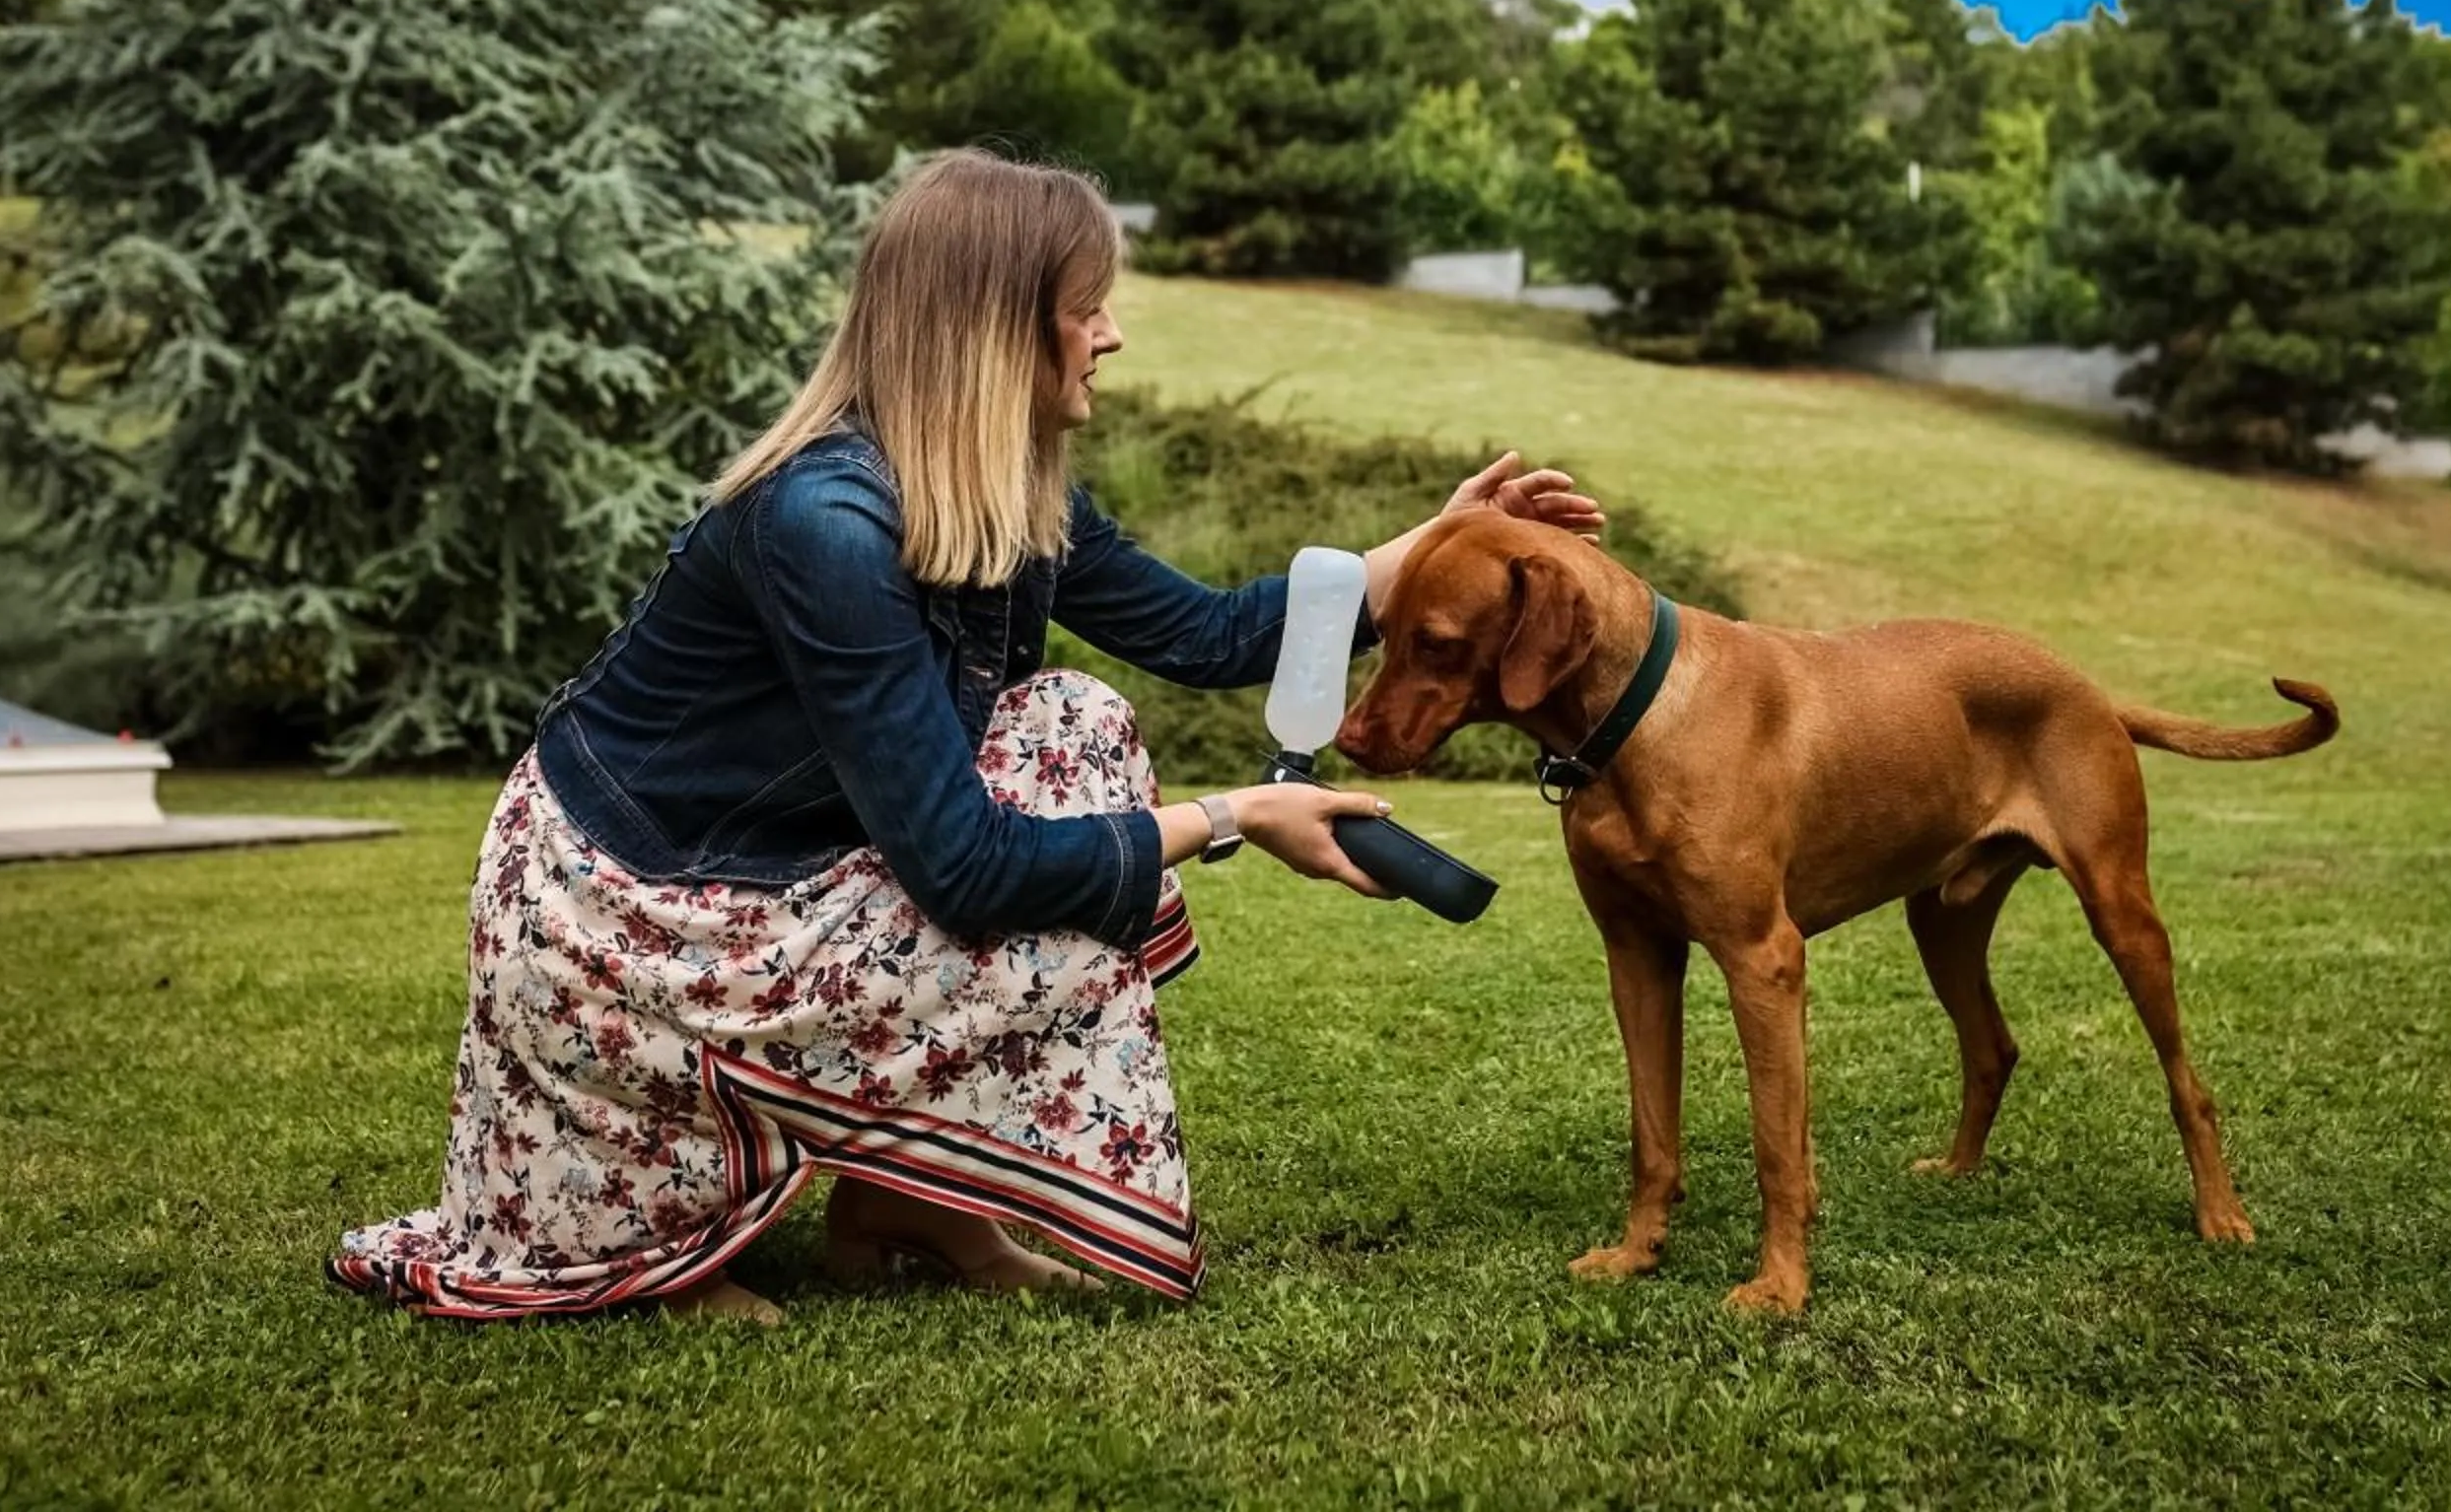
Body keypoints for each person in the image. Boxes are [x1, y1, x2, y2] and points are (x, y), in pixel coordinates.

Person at [329, 149, 1604, 1322]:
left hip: (772, 855)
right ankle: (655, 1244)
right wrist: (1231, 821)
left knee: (1075, 725)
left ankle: (908, 1214)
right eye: (1086, 305)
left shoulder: (1014, 488)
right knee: (1061, 816)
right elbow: (965, 870)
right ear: (999, 327)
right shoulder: (826, 524)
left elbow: (1216, 637)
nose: (1111, 333)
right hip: (631, 909)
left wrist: (1424, 552)